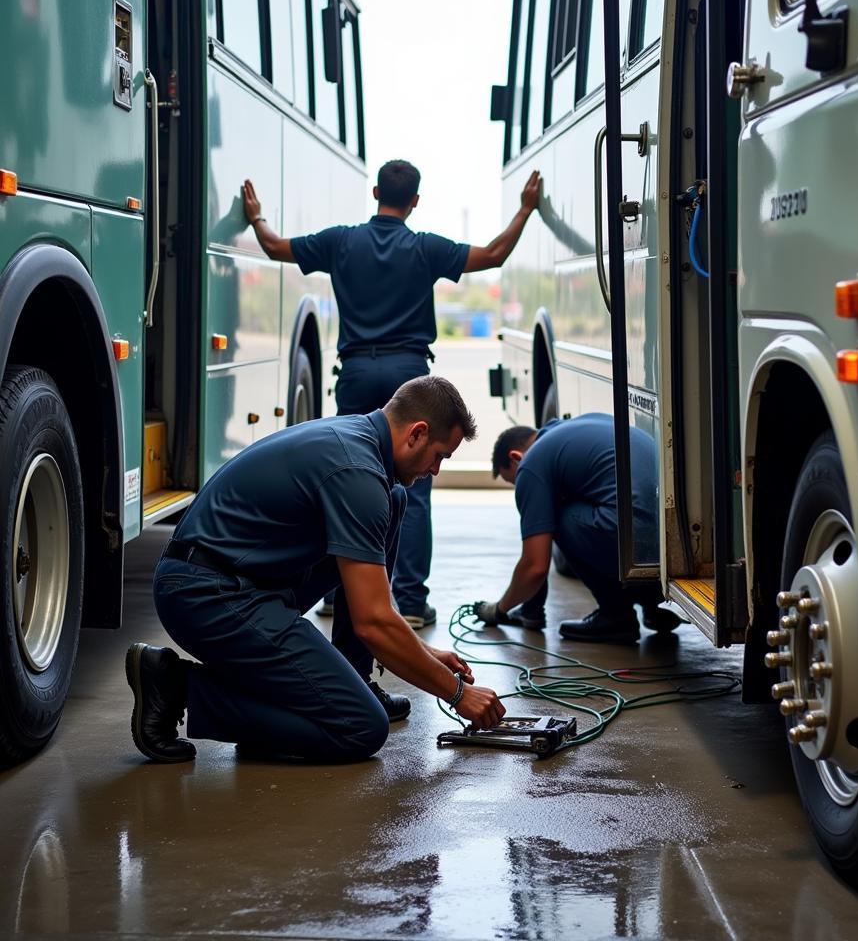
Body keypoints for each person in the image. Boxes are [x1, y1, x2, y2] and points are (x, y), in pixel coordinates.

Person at [125, 376, 506, 764]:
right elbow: (373, 621)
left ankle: (344, 683)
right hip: (205, 594)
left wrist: (423, 653)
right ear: (417, 433)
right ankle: (178, 686)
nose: (437, 470)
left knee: (394, 501)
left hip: (237, 581)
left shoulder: (357, 441)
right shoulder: (357, 473)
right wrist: (458, 694)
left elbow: (372, 602)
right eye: (440, 455)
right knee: (360, 727)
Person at [240, 161, 542, 630]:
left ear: (376, 191)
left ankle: (340, 596)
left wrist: (256, 216)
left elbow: (275, 247)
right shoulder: (425, 248)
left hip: (357, 372)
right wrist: (524, 210)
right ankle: (412, 602)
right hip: (409, 377)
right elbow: (495, 254)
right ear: (415, 201)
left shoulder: (340, 241)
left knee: (346, 478)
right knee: (414, 488)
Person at [474, 414, 682, 644]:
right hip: (676, 532)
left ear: (516, 458)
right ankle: (649, 602)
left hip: (638, 536)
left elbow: (535, 566)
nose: (521, 487)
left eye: (514, 481)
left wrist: (498, 609)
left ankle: (615, 616)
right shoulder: (574, 428)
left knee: (560, 517)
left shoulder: (530, 463)